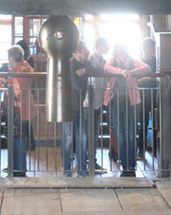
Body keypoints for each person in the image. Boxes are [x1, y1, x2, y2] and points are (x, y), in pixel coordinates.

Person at [104, 43, 149, 176]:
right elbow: (106, 68)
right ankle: (125, 166)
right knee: (121, 136)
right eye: (119, 49)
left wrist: (132, 72)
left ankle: (132, 167)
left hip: (131, 103)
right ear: (116, 51)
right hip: (116, 102)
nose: (121, 51)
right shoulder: (113, 61)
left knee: (130, 136)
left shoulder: (132, 61)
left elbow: (147, 67)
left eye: (123, 48)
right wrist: (122, 72)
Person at [62, 40, 104, 177]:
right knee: (68, 139)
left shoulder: (85, 64)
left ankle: (82, 170)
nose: (88, 53)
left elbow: (99, 68)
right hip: (67, 106)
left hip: (79, 105)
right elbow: (77, 85)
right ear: (79, 50)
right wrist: (85, 72)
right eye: (86, 50)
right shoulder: (69, 63)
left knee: (82, 138)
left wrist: (85, 71)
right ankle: (67, 170)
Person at [4, 44, 35, 177]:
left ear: (12, 58)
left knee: (17, 140)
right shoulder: (26, 68)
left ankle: (18, 169)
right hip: (26, 108)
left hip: (17, 109)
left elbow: (15, 92)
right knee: (20, 138)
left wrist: (6, 88)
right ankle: (18, 168)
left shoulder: (16, 73)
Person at [83, 37, 109, 173]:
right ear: (99, 45)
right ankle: (87, 162)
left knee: (94, 134)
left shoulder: (104, 61)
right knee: (88, 134)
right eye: (106, 45)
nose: (108, 49)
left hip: (98, 101)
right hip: (88, 101)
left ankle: (92, 161)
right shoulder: (89, 59)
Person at [138, 38, 157, 158]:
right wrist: (145, 80)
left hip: (156, 95)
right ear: (145, 48)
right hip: (143, 96)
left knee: (156, 122)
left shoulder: (156, 61)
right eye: (151, 47)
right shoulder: (139, 62)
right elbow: (135, 80)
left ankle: (156, 148)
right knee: (143, 123)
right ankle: (141, 150)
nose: (153, 49)